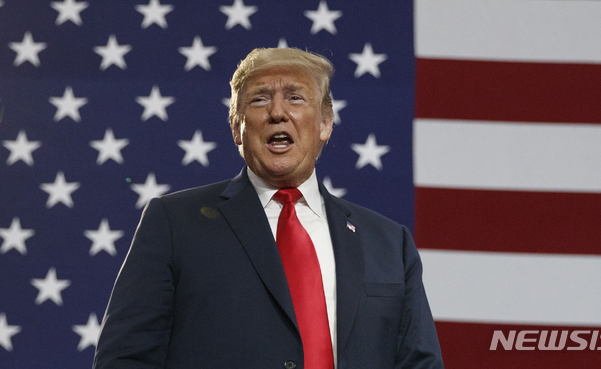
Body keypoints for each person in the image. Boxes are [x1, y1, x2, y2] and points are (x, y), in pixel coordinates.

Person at [93, 47, 444, 369]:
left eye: (295, 97)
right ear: (236, 127)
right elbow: (125, 358)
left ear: (325, 124)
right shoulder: (174, 224)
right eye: (259, 100)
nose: (278, 112)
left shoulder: (388, 242)